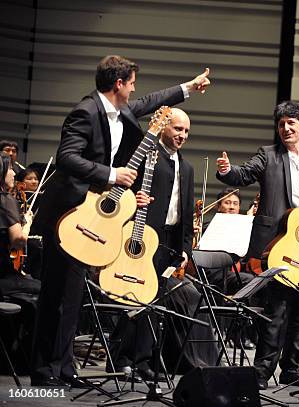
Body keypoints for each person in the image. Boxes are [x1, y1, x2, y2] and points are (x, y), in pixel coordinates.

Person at [30, 55, 211, 387]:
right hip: (67, 216)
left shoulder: (121, 110)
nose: (134, 90)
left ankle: (65, 369)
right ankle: (43, 373)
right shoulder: (85, 112)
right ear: (119, 84)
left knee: (73, 297)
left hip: (91, 220)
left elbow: (150, 102)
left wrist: (188, 87)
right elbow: (67, 157)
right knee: (55, 295)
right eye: (131, 83)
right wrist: (113, 174)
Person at [216, 100, 299, 390]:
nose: (285, 128)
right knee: (275, 311)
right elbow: (242, 174)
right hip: (278, 243)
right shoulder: (268, 156)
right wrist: (226, 171)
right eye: (281, 124)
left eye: (291, 123)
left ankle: (291, 370)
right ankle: (261, 372)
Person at [109, 108, 219, 377]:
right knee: (134, 297)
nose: (182, 135)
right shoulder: (146, 156)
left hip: (169, 241)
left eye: (186, 131)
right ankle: (122, 357)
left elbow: (184, 210)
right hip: (141, 237)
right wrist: (133, 201)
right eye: (178, 129)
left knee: (155, 302)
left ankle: (145, 361)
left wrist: (185, 249)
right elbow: (121, 190)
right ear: (164, 128)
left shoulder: (187, 166)